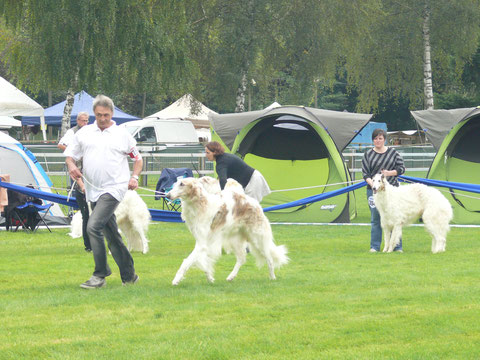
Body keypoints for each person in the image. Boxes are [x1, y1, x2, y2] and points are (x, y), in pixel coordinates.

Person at [65, 95, 143, 289]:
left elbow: (138, 159)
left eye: (106, 115)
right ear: (94, 114)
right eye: (99, 115)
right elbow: (69, 155)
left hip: (114, 189)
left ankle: (100, 275)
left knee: (93, 226)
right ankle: (129, 275)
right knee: (111, 235)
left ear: (112, 113)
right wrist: (71, 167)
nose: (102, 119)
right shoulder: (84, 133)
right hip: (92, 190)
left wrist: (134, 177)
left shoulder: (122, 134)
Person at [362, 128, 405, 253]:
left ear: (384, 140)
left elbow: (401, 168)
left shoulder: (393, 153)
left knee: (395, 218)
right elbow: (365, 174)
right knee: (376, 218)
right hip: (373, 191)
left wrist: (389, 173)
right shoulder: (368, 155)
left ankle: (397, 246)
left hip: (392, 191)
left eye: (380, 138)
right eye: (375, 138)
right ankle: (375, 246)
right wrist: (374, 185)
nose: (377, 141)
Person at [58, 112, 91, 252]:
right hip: (77, 169)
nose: (85, 123)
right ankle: (88, 245)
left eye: (87, 120)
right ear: (77, 120)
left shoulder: (89, 131)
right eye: (82, 120)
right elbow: (61, 145)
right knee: (86, 213)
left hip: (89, 170)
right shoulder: (72, 132)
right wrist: (74, 153)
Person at [205, 141, 271, 202]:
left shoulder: (221, 163)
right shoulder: (224, 157)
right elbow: (220, 178)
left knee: (249, 210)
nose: (206, 155)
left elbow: (223, 180)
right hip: (254, 178)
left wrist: (223, 197)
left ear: (215, 152)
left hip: (252, 182)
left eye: (208, 153)